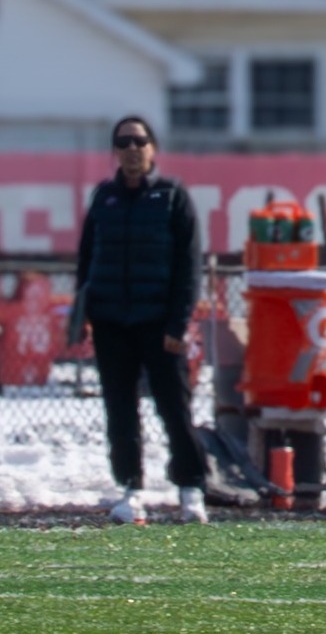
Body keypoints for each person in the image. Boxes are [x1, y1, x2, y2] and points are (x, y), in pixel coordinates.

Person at [76, 115, 211, 525]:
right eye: (123, 142)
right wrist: (86, 314)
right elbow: (87, 261)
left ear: (152, 148)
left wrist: (177, 324)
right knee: (120, 410)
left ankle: (191, 488)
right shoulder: (104, 198)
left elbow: (189, 267)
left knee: (174, 407)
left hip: (158, 322)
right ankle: (131, 489)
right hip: (112, 322)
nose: (132, 149)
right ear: (114, 151)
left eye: (139, 141)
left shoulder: (171, 197)